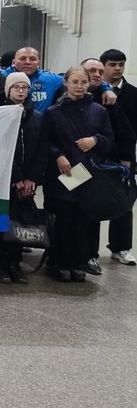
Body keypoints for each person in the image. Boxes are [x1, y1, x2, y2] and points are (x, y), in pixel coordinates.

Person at [43, 66, 115, 283]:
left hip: (88, 174)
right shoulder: (53, 112)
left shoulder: (98, 111)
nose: (79, 86)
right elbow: (45, 141)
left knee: (82, 221)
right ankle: (59, 262)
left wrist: (95, 140)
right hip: (63, 174)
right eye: (75, 82)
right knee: (62, 219)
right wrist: (58, 155)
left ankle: (78, 262)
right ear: (66, 83)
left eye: (83, 82)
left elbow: (109, 140)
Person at [79, 57, 136, 274]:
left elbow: (124, 134)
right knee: (69, 206)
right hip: (70, 164)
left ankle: (101, 252)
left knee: (111, 203)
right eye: (91, 70)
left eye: (99, 71)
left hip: (102, 165)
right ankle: (67, 252)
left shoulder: (108, 102)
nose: (96, 74)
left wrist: (126, 165)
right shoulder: (62, 99)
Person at [0, 72, 47, 284]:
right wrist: (17, 177)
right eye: (16, 87)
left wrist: (32, 178)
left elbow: (42, 150)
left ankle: (14, 264)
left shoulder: (38, 117)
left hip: (28, 182)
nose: (21, 91)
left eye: (24, 87)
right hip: (4, 180)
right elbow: (1, 148)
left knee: (20, 222)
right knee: (2, 223)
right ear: (8, 90)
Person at [98, 49, 137, 266]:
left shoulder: (133, 94)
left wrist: (129, 158)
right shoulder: (93, 91)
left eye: (121, 64)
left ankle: (121, 247)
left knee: (124, 201)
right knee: (88, 198)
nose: (118, 68)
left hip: (123, 156)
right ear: (103, 65)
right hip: (95, 154)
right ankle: (88, 251)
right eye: (113, 64)